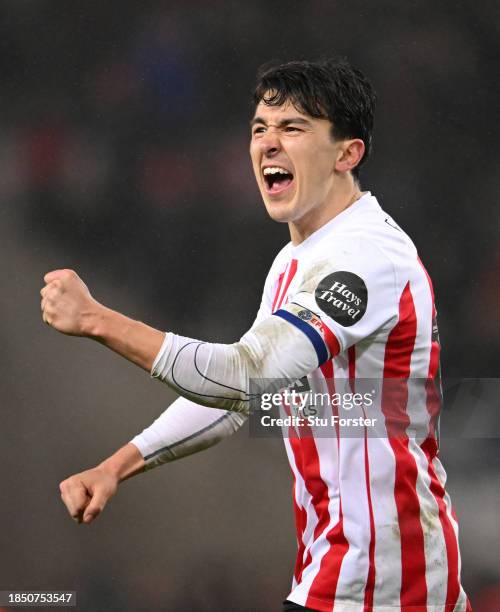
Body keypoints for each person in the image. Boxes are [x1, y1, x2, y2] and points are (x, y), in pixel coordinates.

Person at [40, 58, 470, 612]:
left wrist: (99, 320)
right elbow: (242, 400)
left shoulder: (365, 257)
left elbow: (244, 377)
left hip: (386, 579)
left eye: (293, 128)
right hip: (343, 568)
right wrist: (117, 465)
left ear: (348, 153)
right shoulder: (297, 261)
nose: (268, 143)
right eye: (259, 129)